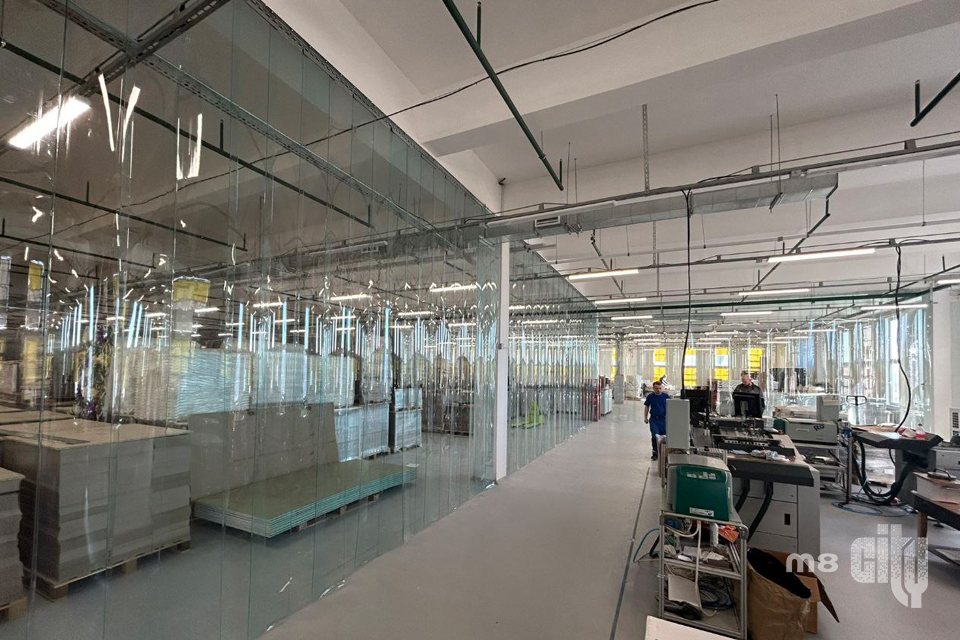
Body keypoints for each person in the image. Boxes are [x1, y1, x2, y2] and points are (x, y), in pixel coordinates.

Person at [644, 380, 670, 460]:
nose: (658, 390)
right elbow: (647, 407)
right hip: (654, 420)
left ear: (662, 388)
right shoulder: (650, 397)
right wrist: (645, 417)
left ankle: (665, 454)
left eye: (660, 388)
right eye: (656, 388)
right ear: (653, 388)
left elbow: (671, 407)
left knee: (665, 437)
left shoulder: (666, 397)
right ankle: (655, 453)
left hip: (664, 420)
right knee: (655, 436)